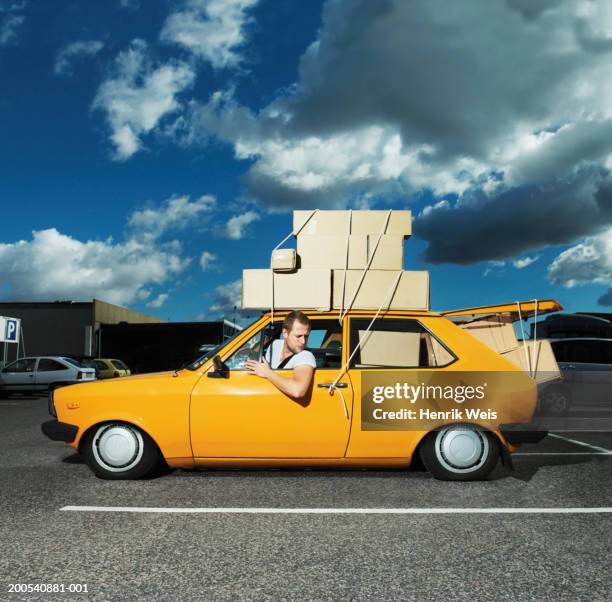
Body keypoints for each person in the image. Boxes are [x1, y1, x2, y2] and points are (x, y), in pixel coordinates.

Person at [245, 310, 316, 400]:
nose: (303, 341)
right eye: (298, 336)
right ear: (285, 333)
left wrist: (267, 372)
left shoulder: (305, 356)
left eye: (306, 336)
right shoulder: (275, 345)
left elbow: (297, 391)